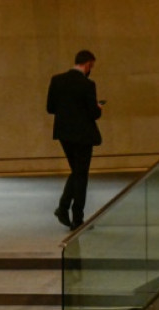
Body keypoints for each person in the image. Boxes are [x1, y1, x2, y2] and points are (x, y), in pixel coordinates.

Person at [47, 50, 102, 230]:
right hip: (83, 135)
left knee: (77, 172)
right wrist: (98, 107)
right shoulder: (88, 85)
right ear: (87, 64)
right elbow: (93, 113)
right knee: (81, 174)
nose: (90, 69)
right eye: (91, 66)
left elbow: (50, 108)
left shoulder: (57, 80)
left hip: (64, 134)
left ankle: (63, 208)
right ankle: (76, 218)